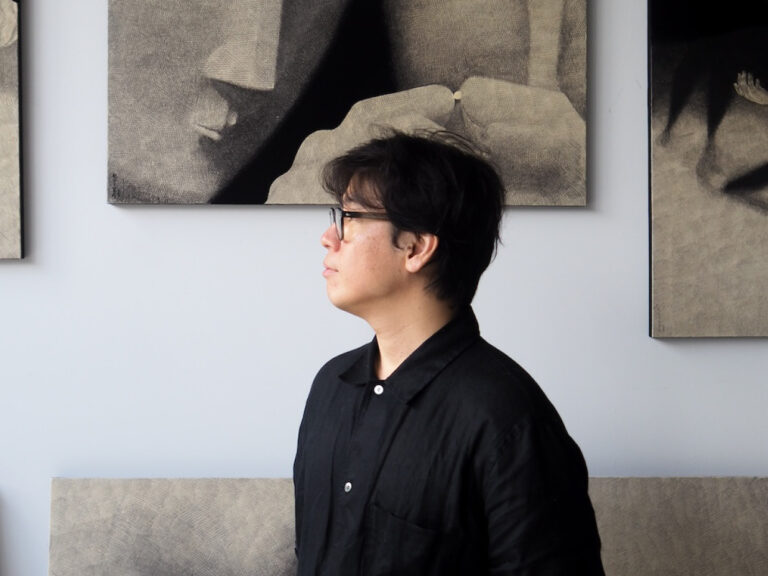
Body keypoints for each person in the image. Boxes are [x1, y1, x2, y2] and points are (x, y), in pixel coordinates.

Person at [293, 130, 604, 575]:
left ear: (416, 248)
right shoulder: (331, 386)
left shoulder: (507, 419)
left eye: (349, 217)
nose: (329, 237)